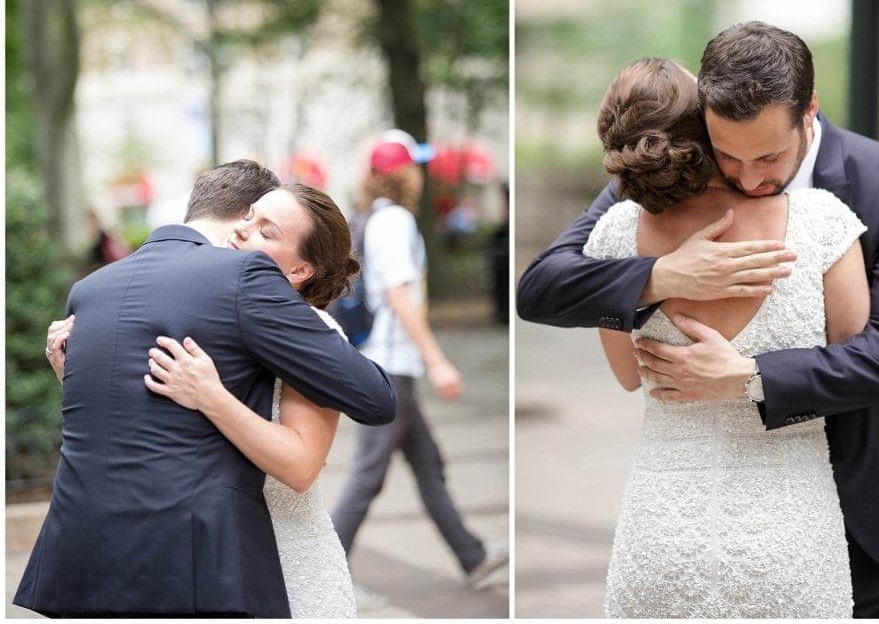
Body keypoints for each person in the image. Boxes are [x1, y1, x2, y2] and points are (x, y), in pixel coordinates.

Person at [517, 22, 879, 618]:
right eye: (728, 155)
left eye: (769, 157)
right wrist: (665, 276)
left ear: (808, 111)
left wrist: (749, 375)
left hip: (854, 494)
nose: (746, 178)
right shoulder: (664, 182)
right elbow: (541, 288)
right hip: (678, 508)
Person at [15, 160, 396, 618]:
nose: (244, 234)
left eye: (265, 229)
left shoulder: (93, 289)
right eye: (250, 218)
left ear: (300, 269)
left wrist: (211, 397)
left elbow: (312, 452)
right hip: (205, 558)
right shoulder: (234, 283)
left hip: (116, 557)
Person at [580, 57, 866, 615]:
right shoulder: (819, 220)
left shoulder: (616, 231)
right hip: (789, 529)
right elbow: (857, 369)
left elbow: (625, 377)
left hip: (662, 528)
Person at [330, 130, 509, 592]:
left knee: (427, 462)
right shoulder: (395, 224)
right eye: (416, 166)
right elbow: (398, 296)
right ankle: (322, 567)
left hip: (384, 362)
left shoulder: (368, 218)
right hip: (390, 365)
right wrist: (438, 360)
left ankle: (471, 555)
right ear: (403, 174)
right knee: (369, 474)